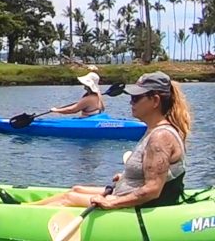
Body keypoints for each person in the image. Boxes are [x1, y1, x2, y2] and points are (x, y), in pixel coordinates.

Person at [31, 71, 192, 209]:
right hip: (123, 192)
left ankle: (20, 214)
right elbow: (151, 174)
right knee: (76, 189)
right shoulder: (154, 130)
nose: (131, 102)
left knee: (68, 199)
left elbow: (153, 189)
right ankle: (23, 207)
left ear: (155, 101)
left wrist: (111, 204)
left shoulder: (161, 137)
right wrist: (125, 177)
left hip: (132, 205)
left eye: (136, 98)